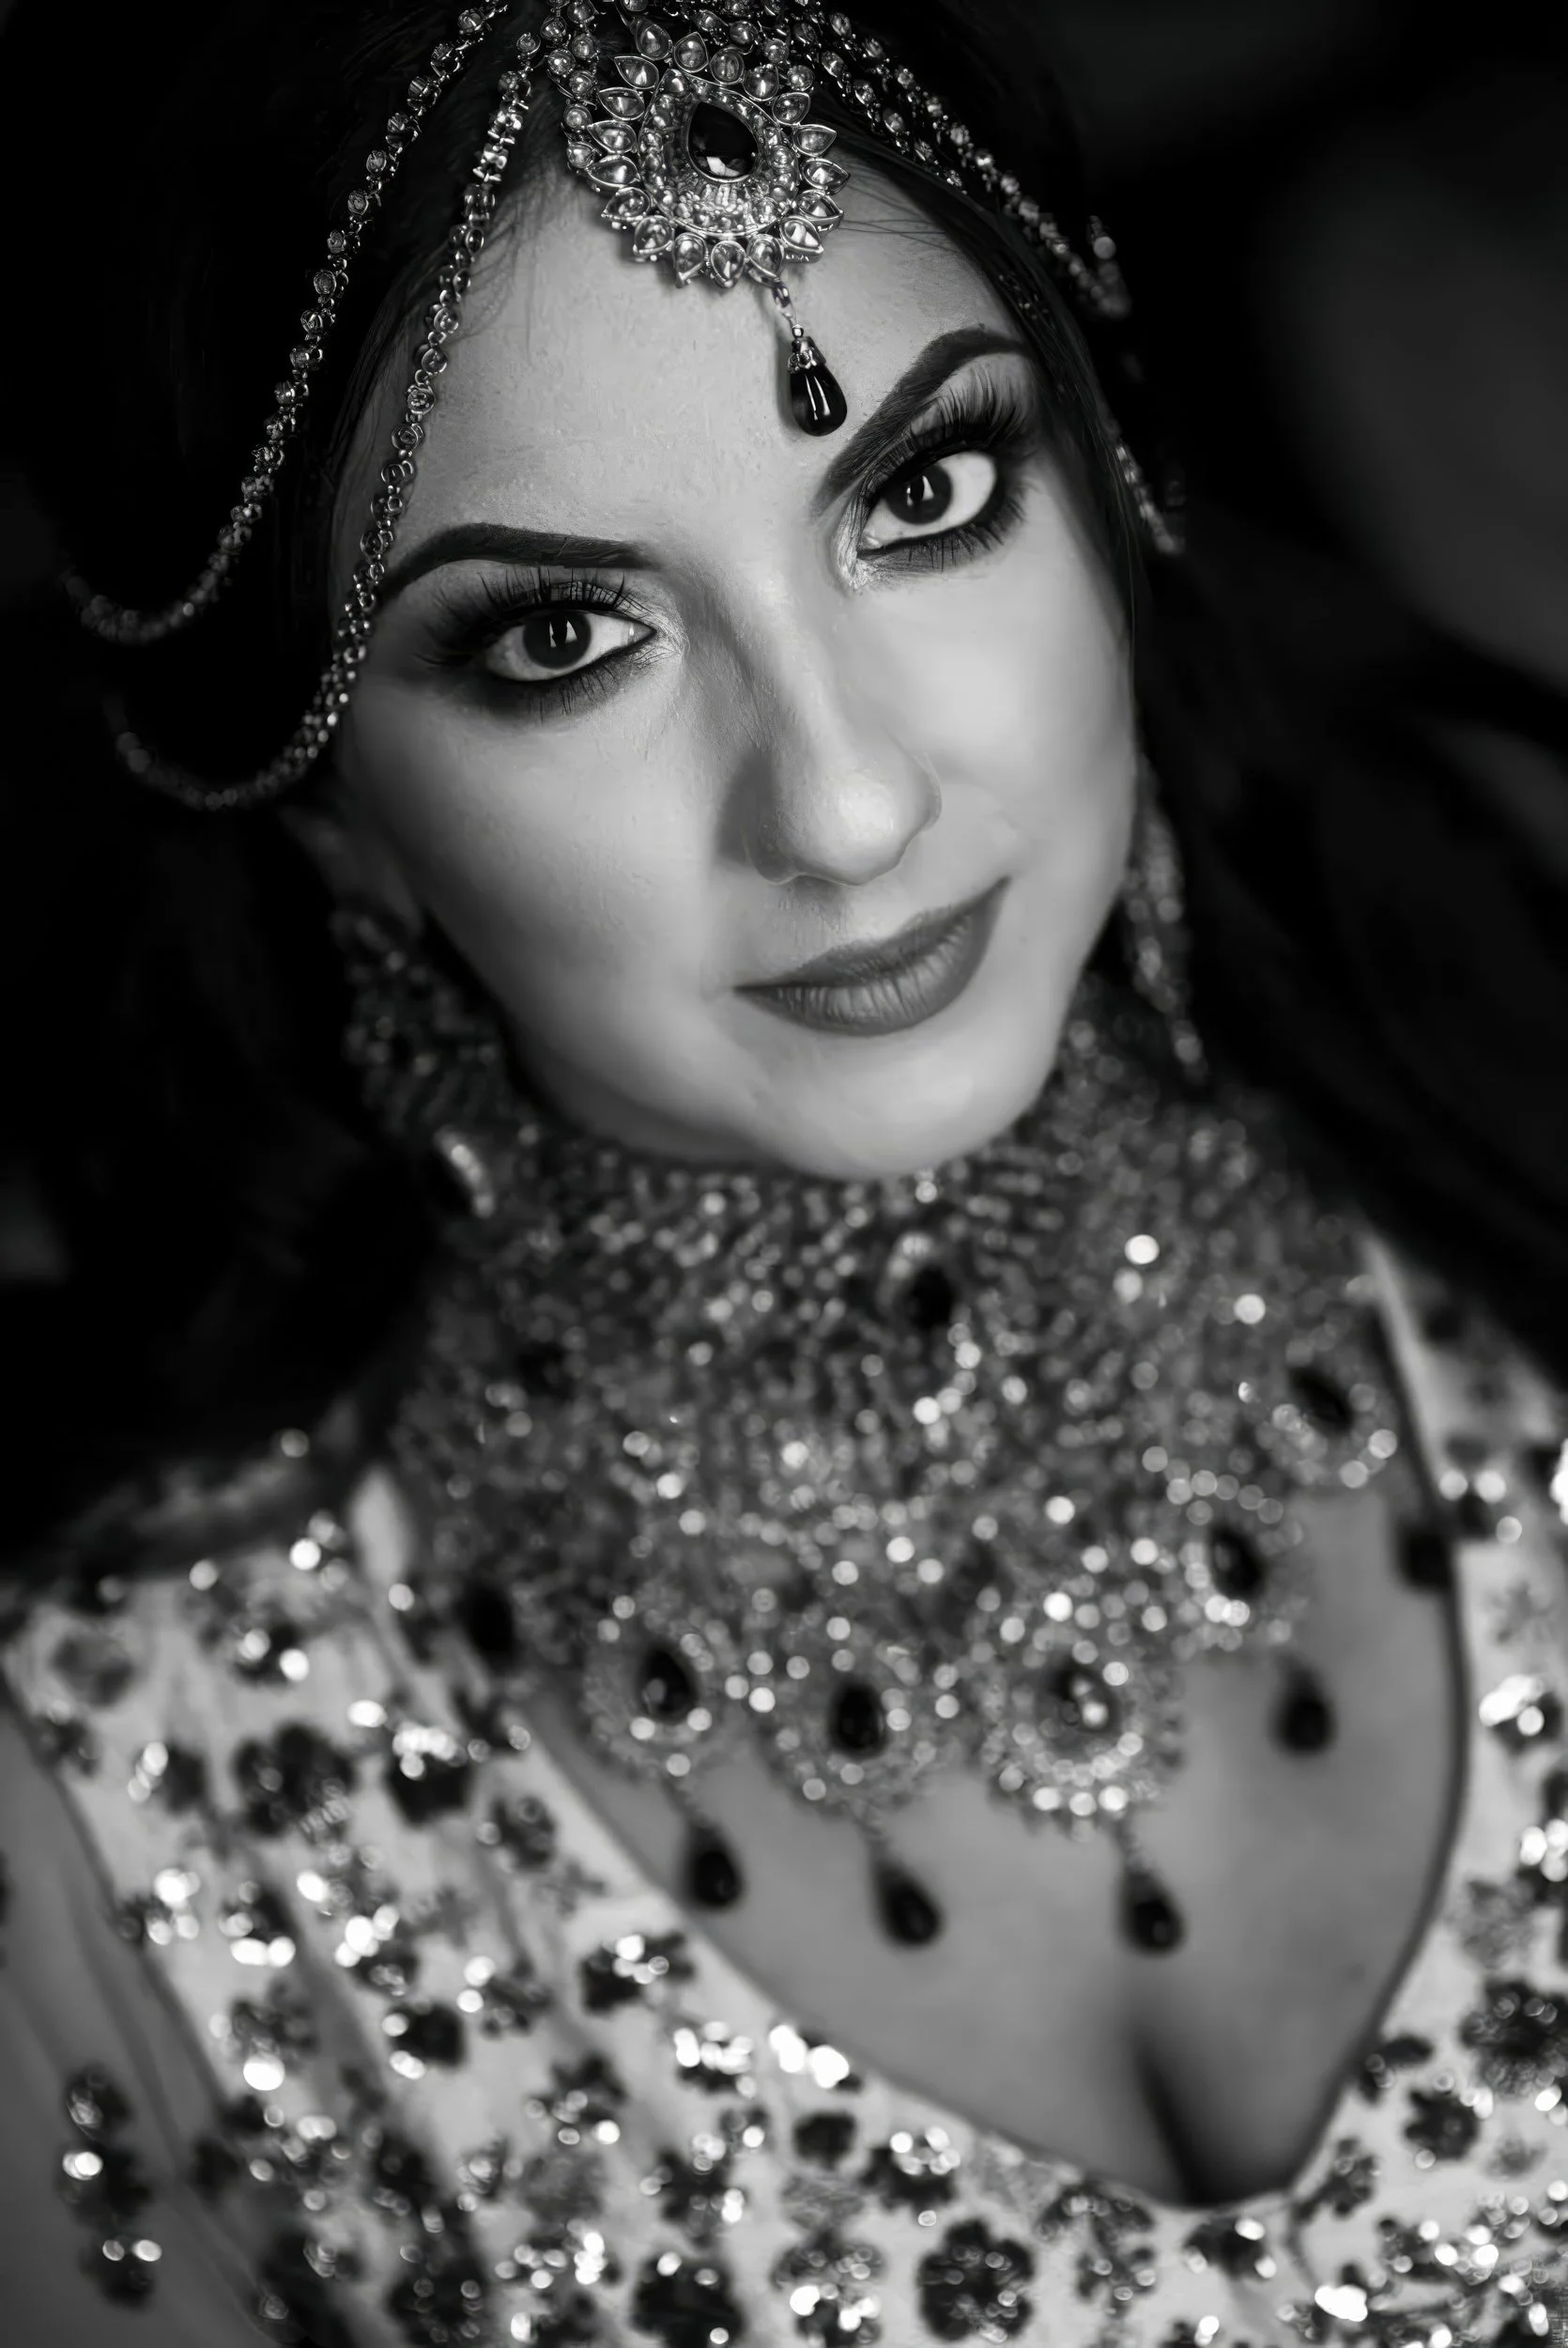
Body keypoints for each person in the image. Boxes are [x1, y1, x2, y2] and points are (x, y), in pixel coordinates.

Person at [0, 3, 1564, 2343]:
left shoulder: (1517, 1169)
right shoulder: (125, 1818)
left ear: (1105, 487)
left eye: (923, 495)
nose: (837, 802)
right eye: (561, 638)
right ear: (331, 800)